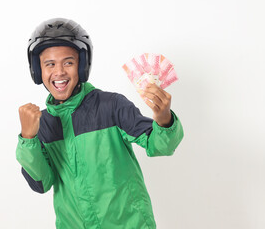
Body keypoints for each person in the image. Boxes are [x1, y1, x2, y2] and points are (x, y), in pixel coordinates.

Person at [16, 18, 184, 229]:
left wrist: (164, 119)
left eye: (68, 62)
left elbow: (161, 146)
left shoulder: (111, 106)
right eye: (49, 64)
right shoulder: (41, 125)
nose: (59, 72)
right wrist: (28, 139)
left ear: (82, 66)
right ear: (38, 70)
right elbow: (40, 184)